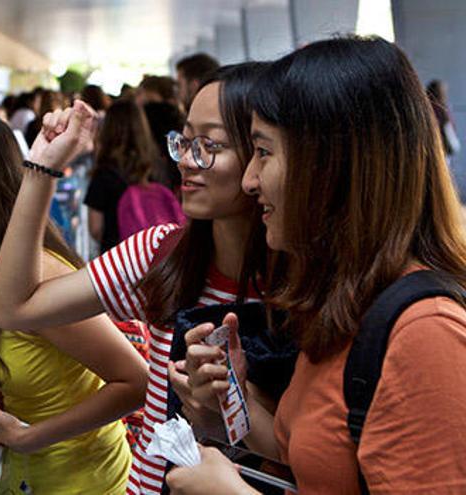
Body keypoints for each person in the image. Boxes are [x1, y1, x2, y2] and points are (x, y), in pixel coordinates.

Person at [168, 37, 466, 494]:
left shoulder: (425, 333)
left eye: (263, 152)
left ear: (330, 167)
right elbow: (309, 454)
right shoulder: (347, 302)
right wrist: (230, 402)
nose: (250, 181)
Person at [0, 63, 270, 495]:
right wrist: (41, 167)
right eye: (185, 141)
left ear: (265, 156)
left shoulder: (310, 285)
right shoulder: (161, 252)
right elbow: (12, 307)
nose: (186, 162)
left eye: (209, 144)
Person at [0, 108, 146, 494]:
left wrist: (29, 436)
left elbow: (135, 381)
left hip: (80, 483)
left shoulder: (42, 276)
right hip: (33, 475)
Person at [84, 99, 171, 252]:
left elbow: (95, 229)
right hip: (153, 256)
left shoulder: (104, 173)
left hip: (116, 259)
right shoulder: (156, 166)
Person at [427, 79, 460, 161]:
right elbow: (453, 144)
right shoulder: (442, 111)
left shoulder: (424, 110)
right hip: (440, 155)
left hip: (427, 153)